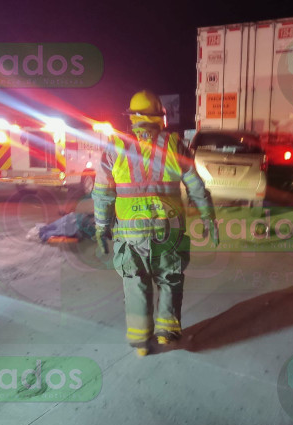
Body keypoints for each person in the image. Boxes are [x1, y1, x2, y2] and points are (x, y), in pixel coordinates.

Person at [92, 90, 219, 357]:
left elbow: (103, 194)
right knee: (170, 279)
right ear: (161, 117)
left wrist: (102, 227)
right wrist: (208, 217)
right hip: (169, 230)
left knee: (135, 282)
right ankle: (166, 334)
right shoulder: (175, 145)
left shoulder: (115, 146)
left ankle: (140, 344)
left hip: (130, 233)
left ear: (133, 117)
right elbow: (196, 187)